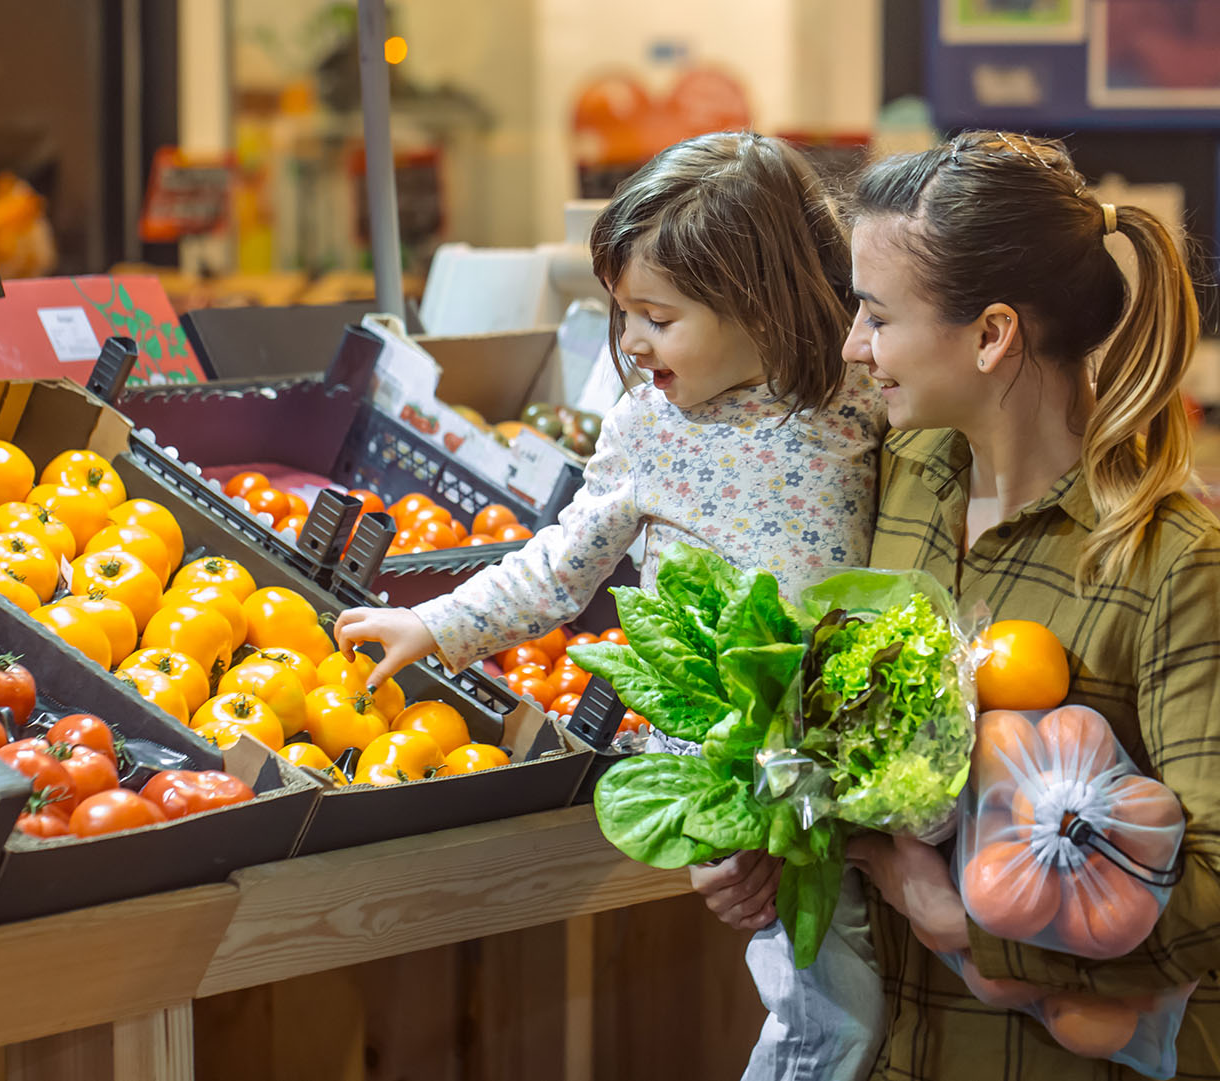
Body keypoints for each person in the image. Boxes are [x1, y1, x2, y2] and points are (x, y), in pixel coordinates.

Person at [694, 129, 1220, 1080]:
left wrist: (967, 919)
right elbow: (876, 759)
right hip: (898, 1051)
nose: (855, 346)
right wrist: (777, 839)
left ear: (991, 334)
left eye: (878, 317)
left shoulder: (1168, 561)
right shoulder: (905, 475)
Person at [334, 130, 889, 1081]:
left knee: (871, 978)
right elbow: (560, 566)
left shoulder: (856, 394)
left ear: (757, 303)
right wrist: (437, 624)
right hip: (730, 751)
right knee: (832, 1008)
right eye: (621, 311)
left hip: (845, 735)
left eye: (656, 317)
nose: (629, 341)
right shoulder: (650, 428)